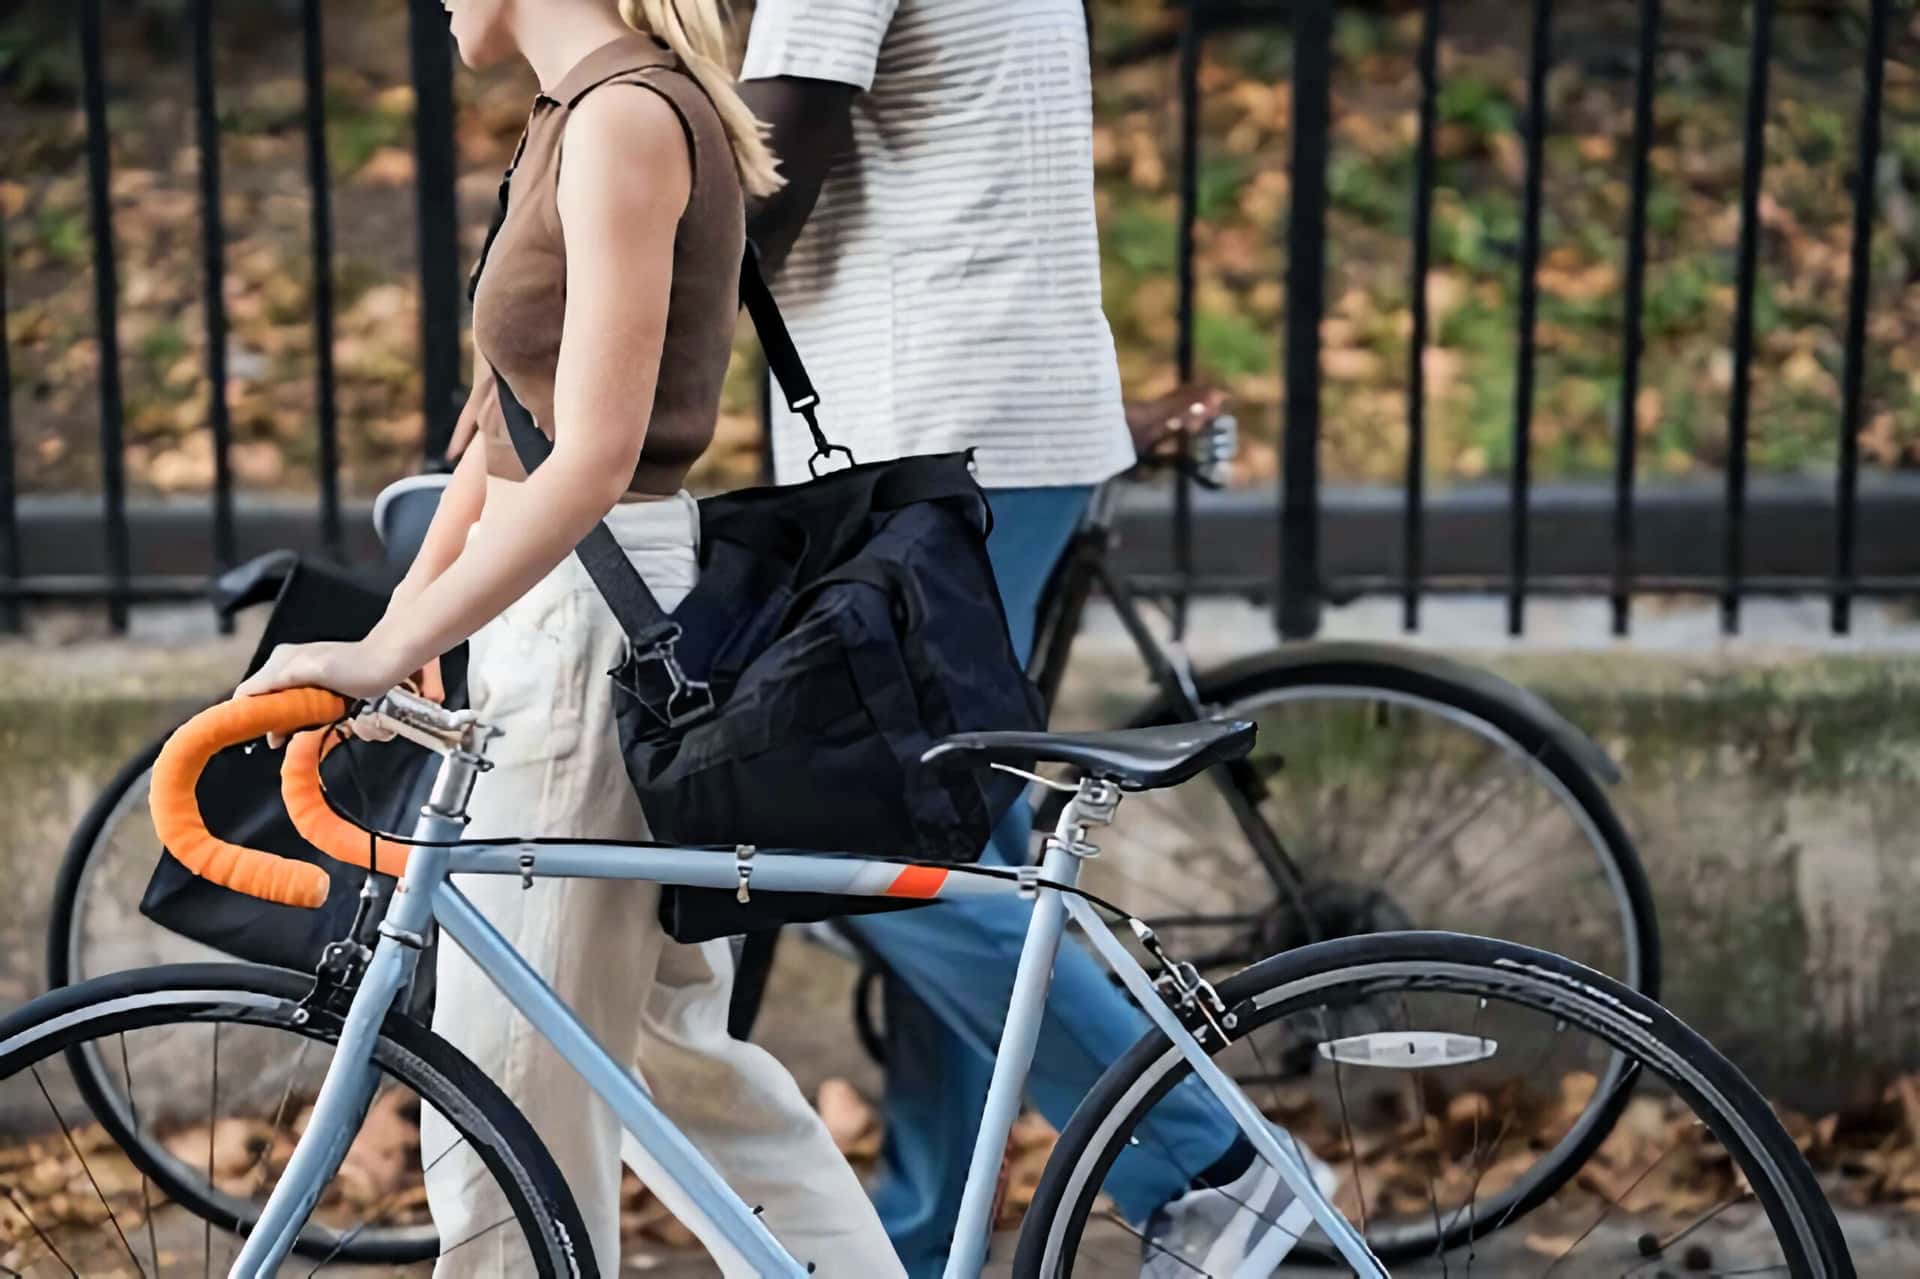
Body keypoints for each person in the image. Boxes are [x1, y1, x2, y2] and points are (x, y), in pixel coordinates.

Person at [234, 1, 902, 1275]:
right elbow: (503, 439)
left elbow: (593, 456)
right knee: (665, 1063)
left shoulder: (629, 121)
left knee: (501, 1097)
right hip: (566, 600)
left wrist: (385, 654)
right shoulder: (575, 118)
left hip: (598, 613)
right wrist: (411, 627)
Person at [734, 2, 1331, 1274]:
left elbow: (770, 161)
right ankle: (915, 1234)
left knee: (864, 834)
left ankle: (1211, 1163)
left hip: (927, 428)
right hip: (988, 408)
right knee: (957, 845)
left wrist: (588, 343)